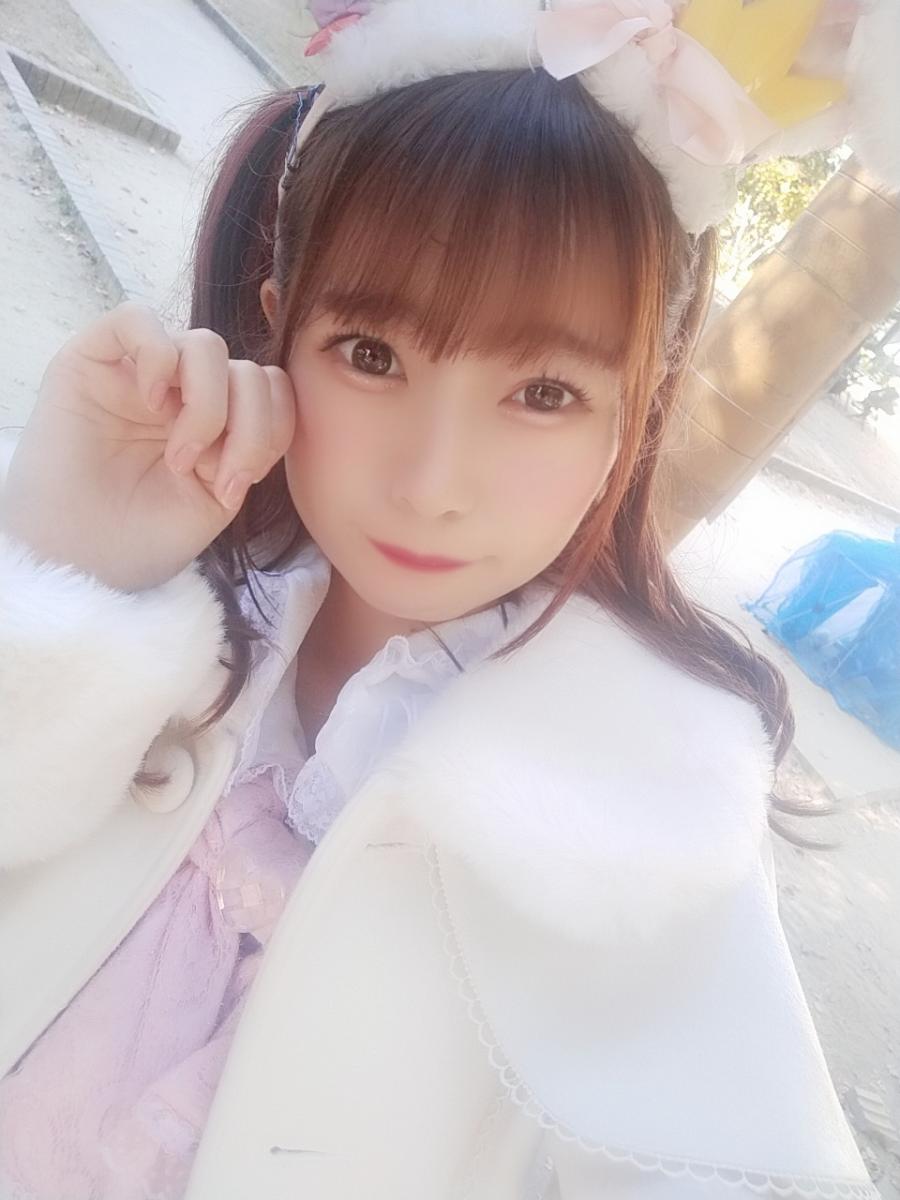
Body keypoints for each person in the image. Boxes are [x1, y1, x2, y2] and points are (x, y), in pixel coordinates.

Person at [0, 1, 896, 1196]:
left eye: (544, 393)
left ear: (636, 413)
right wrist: (59, 573)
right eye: (372, 355)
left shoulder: (652, 813)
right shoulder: (149, 604)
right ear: (278, 324)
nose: (432, 485)